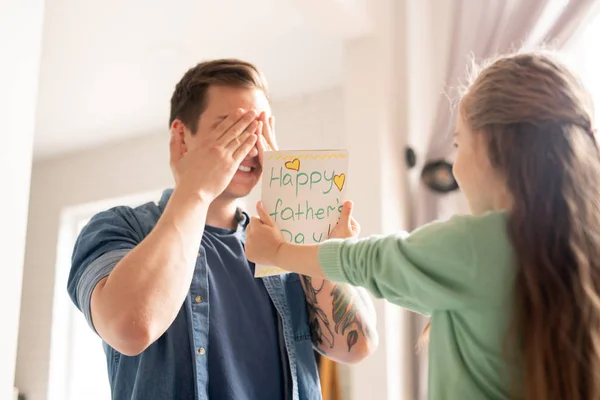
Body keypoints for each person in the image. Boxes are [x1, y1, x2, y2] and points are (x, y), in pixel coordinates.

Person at [244, 51, 600, 400]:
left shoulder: (478, 246)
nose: (456, 168)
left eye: (459, 144)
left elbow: (373, 261)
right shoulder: (585, 244)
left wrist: (278, 251)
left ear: (493, 145)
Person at [67, 59, 378, 400]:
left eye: (258, 129)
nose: (249, 145)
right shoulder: (119, 228)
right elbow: (130, 328)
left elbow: (357, 345)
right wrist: (195, 190)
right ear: (181, 138)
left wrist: (305, 230)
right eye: (230, 129)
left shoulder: (285, 243)